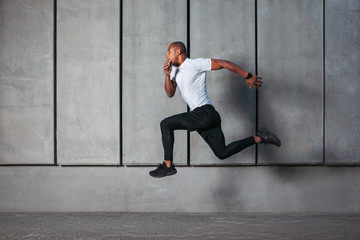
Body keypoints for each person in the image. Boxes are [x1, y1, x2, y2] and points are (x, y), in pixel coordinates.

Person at [150, 41, 281, 178]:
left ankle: (168, 166)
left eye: (169, 51)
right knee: (222, 153)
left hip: (204, 113)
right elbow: (170, 93)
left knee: (165, 124)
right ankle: (261, 138)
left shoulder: (195, 64)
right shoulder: (175, 71)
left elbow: (223, 63)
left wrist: (247, 75)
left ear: (178, 52)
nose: (166, 55)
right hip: (206, 117)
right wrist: (166, 75)